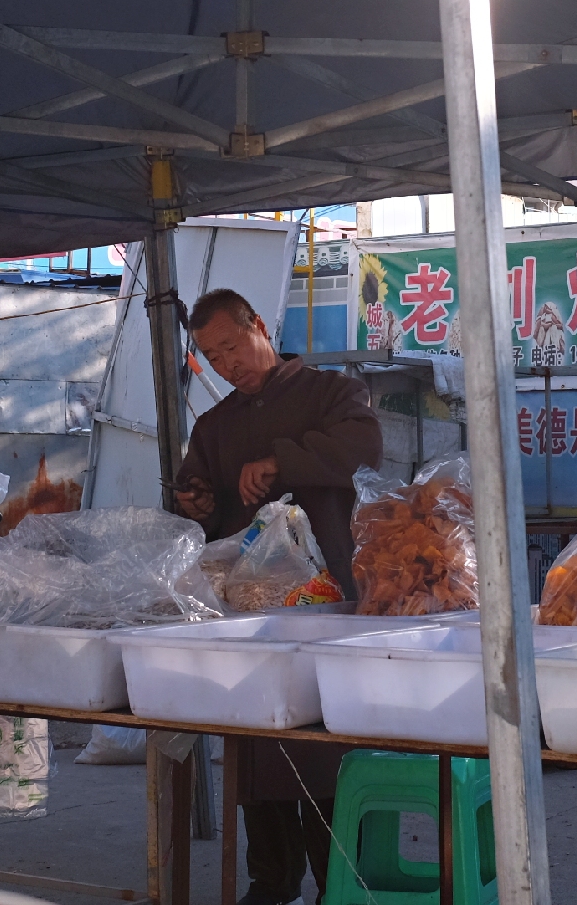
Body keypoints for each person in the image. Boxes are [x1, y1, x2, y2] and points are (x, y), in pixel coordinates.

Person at [173, 288, 382, 905]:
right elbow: (202, 514)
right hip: (250, 612)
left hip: (329, 603)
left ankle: (337, 884)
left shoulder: (332, 393)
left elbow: (363, 450)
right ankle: (271, 879)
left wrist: (279, 462)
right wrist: (196, 502)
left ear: (259, 326)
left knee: (324, 746)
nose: (227, 365)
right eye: (213, 357)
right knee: (255, 746)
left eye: (232, 347)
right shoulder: (214, 426)